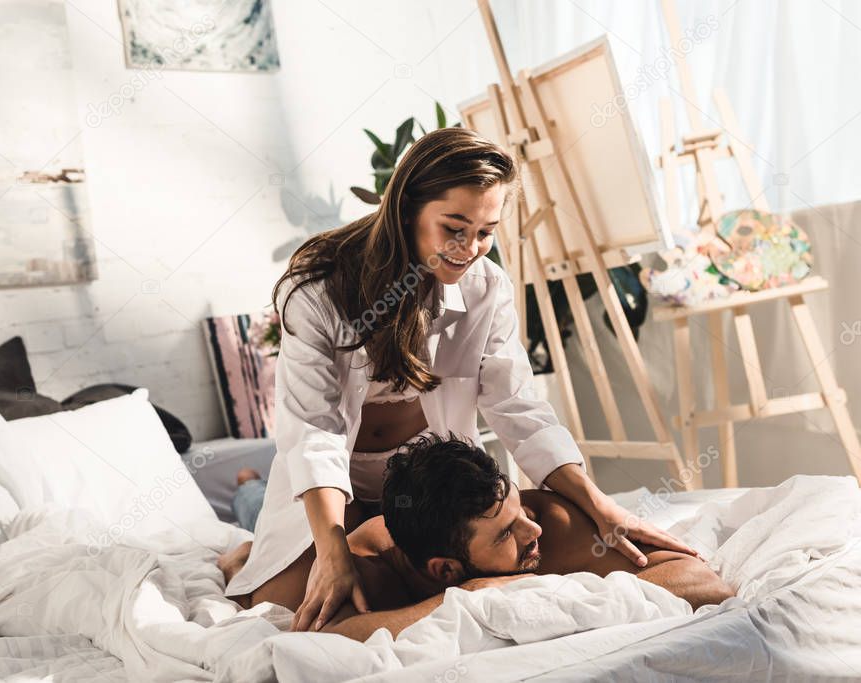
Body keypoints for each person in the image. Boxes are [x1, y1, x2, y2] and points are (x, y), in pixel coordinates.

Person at [223, 127, 697, 632]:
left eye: (486, 231)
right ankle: (246, 536)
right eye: (454, 228)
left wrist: (601, 505)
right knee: (278, 607)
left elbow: (517, 405)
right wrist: (332, 549)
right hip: (336, 489)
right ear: (406, 208)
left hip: (431, 487)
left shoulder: (486, 287)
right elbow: (313, 432)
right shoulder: (317, 292)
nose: (470, 248)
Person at [218, 434, 733, 642]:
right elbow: (324, 644)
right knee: (244, 549)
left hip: (413, 522)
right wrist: (470, 597)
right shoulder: (363, 579)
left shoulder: (535, 520)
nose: (531, 531)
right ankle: (248, 488)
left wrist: (521, 583)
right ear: (445, 569)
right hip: (286, 552)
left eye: (518, 509)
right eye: (507, 533)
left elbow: (704, 582)